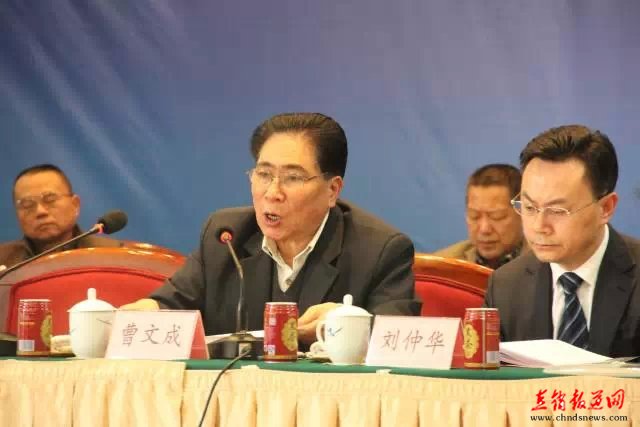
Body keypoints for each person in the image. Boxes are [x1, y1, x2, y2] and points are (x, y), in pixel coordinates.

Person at [122, 112, 420, 344]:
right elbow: (170, 304)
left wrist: (349, 323)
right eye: (264, 174)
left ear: (332, 190)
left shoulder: (379, 250)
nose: (272, 192)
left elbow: (398, 341)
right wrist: (144, 313)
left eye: (293, 178)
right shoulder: (226, 235)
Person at [484, 125, 640, 357]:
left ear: (606, 208)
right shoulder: (507, 286)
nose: (539, 226)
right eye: (529, 207)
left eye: (557, 211)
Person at [0, 164, 122, 269]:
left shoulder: (113, 255)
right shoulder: (4, 260)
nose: (40, 211)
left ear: (75, 205)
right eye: (27, 204)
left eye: (50, 199)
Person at [434, 164, 524, 269]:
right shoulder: (441, 266)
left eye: (496, 216)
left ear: (523, 213)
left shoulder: (539, 263)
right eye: (474, 216)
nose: (484, 229)